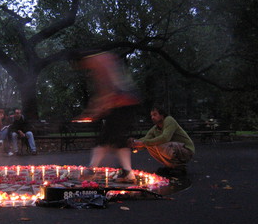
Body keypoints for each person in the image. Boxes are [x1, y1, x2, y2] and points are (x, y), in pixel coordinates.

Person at [76, 52, 141, 183]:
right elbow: (104, 93)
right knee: (116, 140)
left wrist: (97, 110)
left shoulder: (100, 61)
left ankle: (92, 170)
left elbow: (109, 89)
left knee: (105, 140)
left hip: (123, 104)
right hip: (122, 104)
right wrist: (97, 108)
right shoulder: (100, 62)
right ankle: (127, 173)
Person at [129, 105, 195, 173]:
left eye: (155, 115)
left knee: (157, 144)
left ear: (162, 115)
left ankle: (179, 167)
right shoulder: (155, 128)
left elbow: (165, 138)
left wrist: (144, 143)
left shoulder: (169, 120)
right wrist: (135, 143)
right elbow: (146, 139)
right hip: (174, 148)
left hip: (186, 150)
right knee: (150, 145)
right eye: (151, 116)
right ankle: (170, 166)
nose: (152, 117)